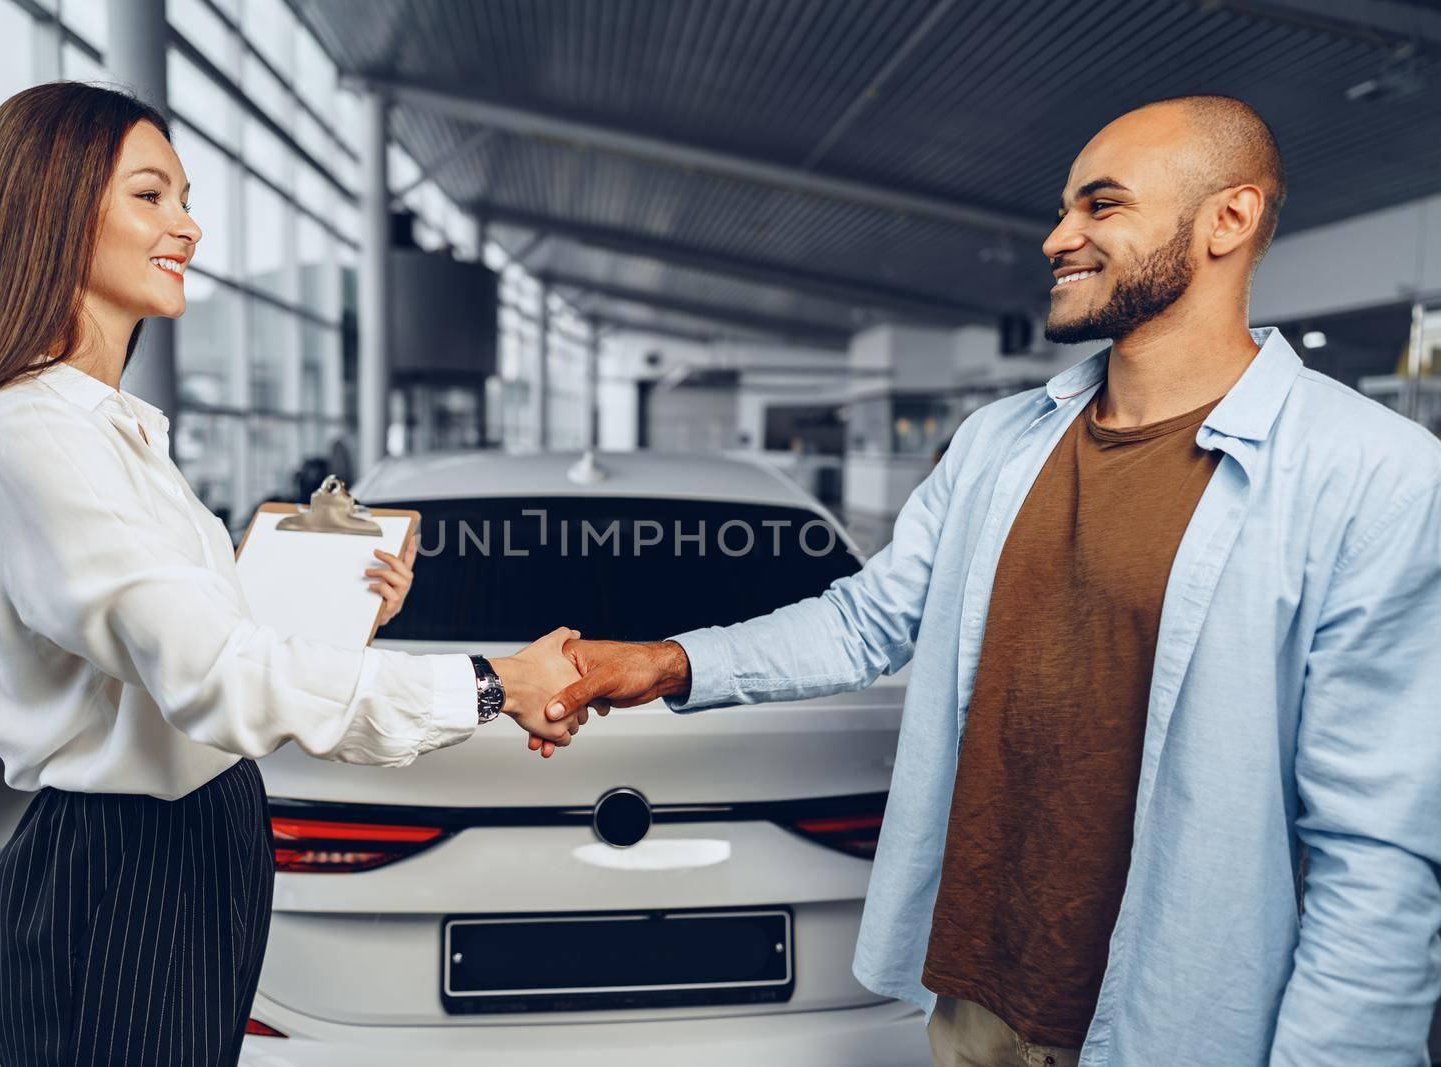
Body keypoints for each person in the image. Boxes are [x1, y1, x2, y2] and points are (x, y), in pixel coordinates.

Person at [544, 95, 1441, 1066]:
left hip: (1175, 1022)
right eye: (1062, 209)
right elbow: (867, 620)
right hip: (976, 1000)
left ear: (1228, 219)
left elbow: (1378, 853)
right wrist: (657, 662)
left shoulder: (1373, 473)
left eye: (1101, 206)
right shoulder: (999, 442)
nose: (1059, 236)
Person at [0, 82, 582, 1067]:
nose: (189, 225)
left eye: (185, 196)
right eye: (153, 195)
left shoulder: (110, 427)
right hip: (122, 862)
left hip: (199, 829)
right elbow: (212, 673)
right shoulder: (32, 432)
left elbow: (193, 639)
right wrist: (490, 682)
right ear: (51, 208)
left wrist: (341, 608)